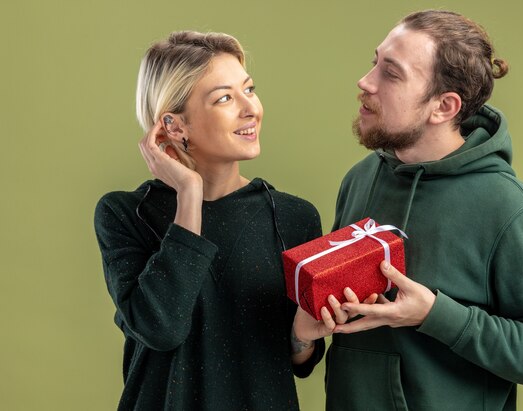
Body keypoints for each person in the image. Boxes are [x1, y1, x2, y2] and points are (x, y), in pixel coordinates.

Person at [321, 10, 523, 410]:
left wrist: (434, 314)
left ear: (443, 107)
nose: (365, 81)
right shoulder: (360, 178)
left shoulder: (509, 207)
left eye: (390, 74)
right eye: (374, 62)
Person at [93, 31, 339, 410]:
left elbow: (300, 361)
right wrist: (189, 195)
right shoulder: (126, 214)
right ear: (173, 126)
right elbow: (161, 327)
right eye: (224, 98)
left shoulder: (294, 217)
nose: (251, 108)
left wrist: (302, 339)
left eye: (249, 89)